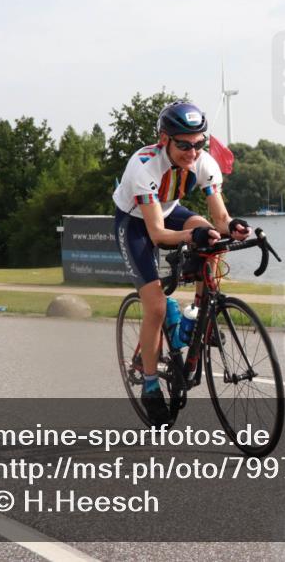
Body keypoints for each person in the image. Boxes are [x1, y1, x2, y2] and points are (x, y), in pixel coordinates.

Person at [113, 101, 250, 424]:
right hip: (135, 222)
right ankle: (150, 386)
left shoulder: (204, 162)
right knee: (156, 306)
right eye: (184, 145)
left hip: (170, 209)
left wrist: (234, 227)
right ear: (165, 140)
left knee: (212, 237)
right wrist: (192, 236)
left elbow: (220, 218)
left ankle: (200, 313)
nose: (193, 152)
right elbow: (158, 234)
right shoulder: (144, 166)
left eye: (198, 143)